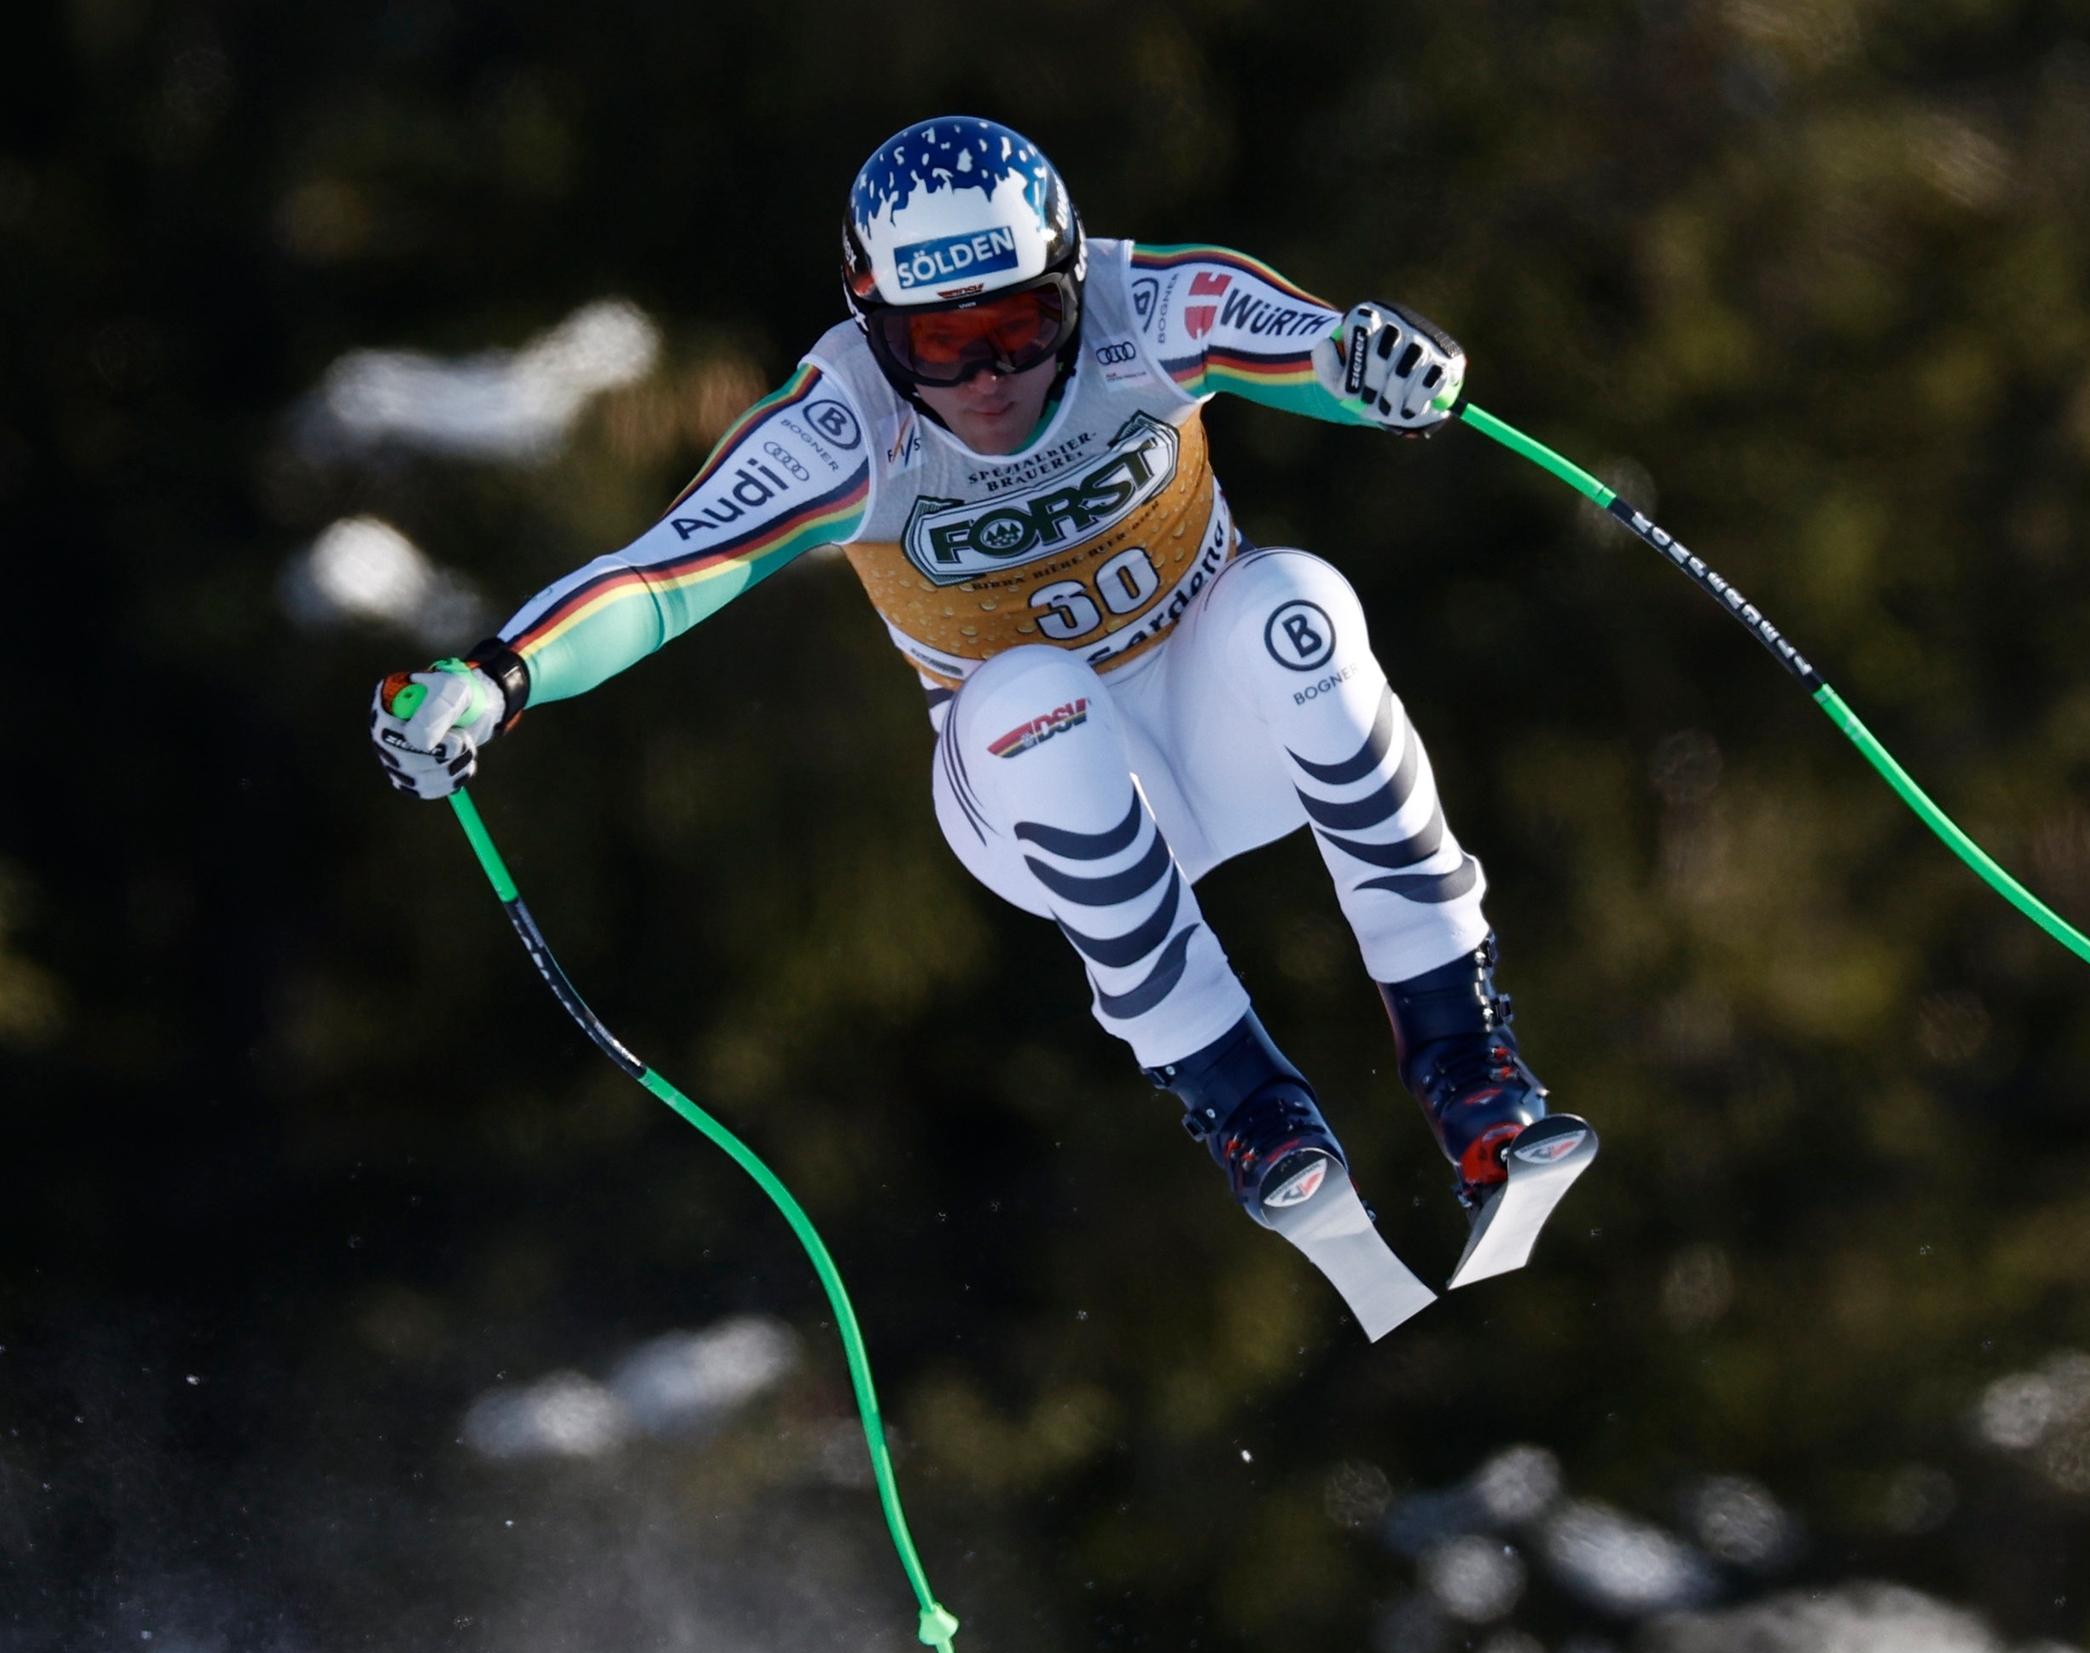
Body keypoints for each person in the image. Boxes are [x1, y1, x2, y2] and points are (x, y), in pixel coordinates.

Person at [371, 116, 1594, 1337]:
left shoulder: (1137, 304)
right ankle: (1247, 1108)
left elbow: (1307, 342)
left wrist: (1383, 365)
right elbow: (659, 575)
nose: (986, 377)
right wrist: (498, 677)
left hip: (1229, 735)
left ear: (1070, 280)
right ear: (870, 324)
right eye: (938, 342)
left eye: (1019, 327)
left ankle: (1469, 1071)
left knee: (1295, 604)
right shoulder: (843, 423)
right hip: (1037, 796)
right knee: (1028, 695)